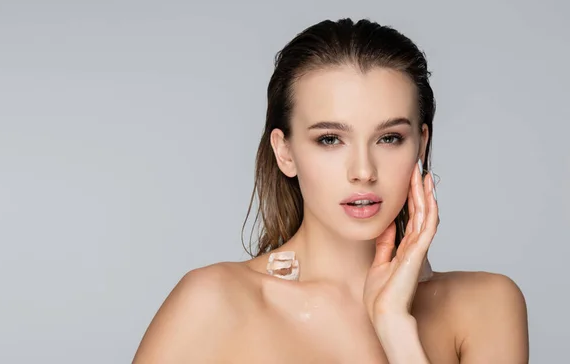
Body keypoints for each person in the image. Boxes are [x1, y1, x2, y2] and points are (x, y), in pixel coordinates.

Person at [132, 18, 529, 363]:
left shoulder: (486, 305)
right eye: (329, 140)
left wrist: (394, 325)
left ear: (421, 144)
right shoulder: (214, 303)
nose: (362, 171)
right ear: (284, 152)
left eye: (389, 138)